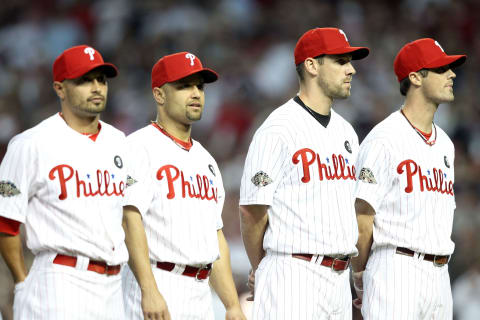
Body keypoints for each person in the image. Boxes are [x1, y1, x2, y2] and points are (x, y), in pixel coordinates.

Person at [239, 27, 369, 319]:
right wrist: (263, 266)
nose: (351, 70)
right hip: (293, 274)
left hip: (339, 280)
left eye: (350, 62)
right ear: (311, 65)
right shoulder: (277, 128)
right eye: (340, 61)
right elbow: (252, 211)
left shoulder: (347, 131)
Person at [0, 45, 128, 319]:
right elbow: (5, 222)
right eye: (84, 80)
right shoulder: (30, 144)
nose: (96, 87)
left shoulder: (119, 141)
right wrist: (22, 280)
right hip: (60, 282)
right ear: (60, 88)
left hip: (115, 286)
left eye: (101, 79)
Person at [121, 52, 246, 320]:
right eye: (184, 86)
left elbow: (215, 238)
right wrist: (149, 288)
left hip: (200, 292)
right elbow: (129, 220)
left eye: (199, 86)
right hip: (159, 281)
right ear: (159, 95)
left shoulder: (206, 161)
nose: (195, 93)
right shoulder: (138, 147)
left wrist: (232, 305)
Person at [351, 38, 467, 319]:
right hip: (396, 268)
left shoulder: (445, 145)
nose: (451, 74)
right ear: (415, 77)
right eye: (441, 69)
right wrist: (361, 274)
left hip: (440, 275)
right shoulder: (384, 138)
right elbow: (362, 217)